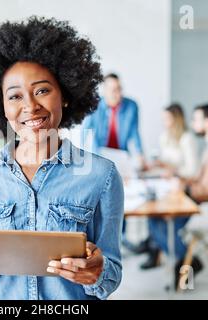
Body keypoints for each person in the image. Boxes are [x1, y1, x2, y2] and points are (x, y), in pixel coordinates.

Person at [0, 17, 124, 300]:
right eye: (15, 96)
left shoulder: (102, 175)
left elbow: (111, 275)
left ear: (66, 95)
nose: (30, 107)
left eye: (42, 90)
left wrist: (97, 273)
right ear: (0, 105)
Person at [142, 103, 208, 289]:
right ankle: (188, 260)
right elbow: (201, 179)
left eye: (196, 119)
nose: (192, 123)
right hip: (200, 201)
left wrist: (188, 190)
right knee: (154, 220)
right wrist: (183, 184)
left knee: (162, 224)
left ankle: (188, 262)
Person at [81, 73, 145, 250]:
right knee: (103, 197)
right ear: (104, 90)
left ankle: (119, 237)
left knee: (122, 194)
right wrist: (95, 162)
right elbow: (87, 134)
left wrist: (139, 154)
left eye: (119, 89)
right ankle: (108, 238)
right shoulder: (95, 106)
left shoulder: (131, 106)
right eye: (113, 90)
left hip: (121, 156)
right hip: (101, 155)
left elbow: (134, 133)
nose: (117, 93)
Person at [139, 104, 200, 269]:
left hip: (184, 190)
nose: (163, 122)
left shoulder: (187, 138)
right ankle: (181, 259)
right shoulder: (165, 136)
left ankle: (187, 260)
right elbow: (166, 165)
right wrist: (154, 165)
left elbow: (192, 170)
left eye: (166, 118)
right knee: (152, 217)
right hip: (168, 187)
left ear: (176, 118)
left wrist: (173, 170)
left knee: (161, 225)